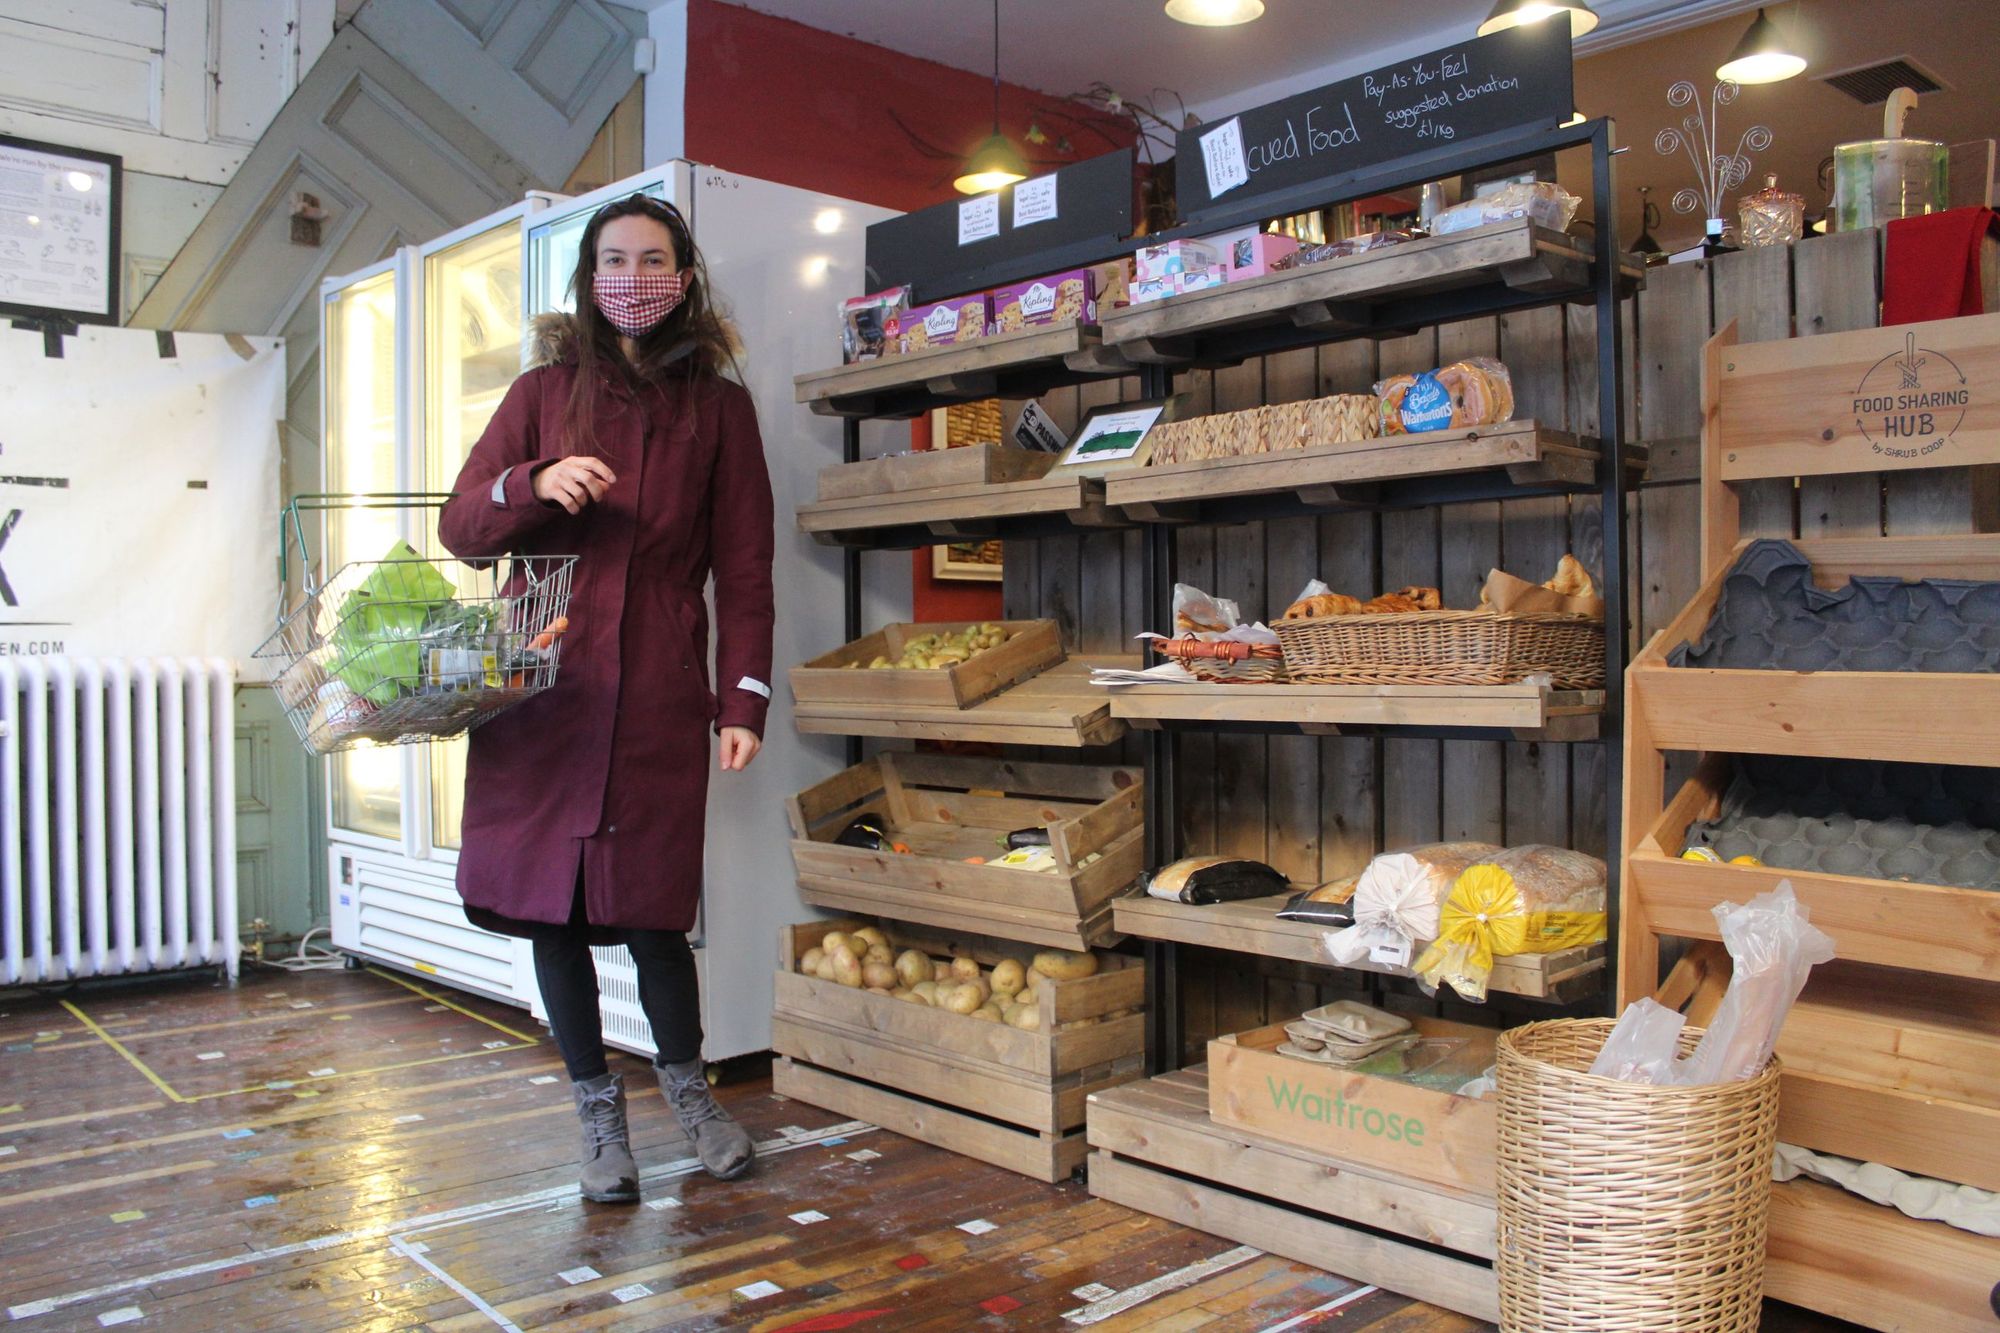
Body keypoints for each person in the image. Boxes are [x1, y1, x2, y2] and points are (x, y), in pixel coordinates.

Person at [438, 194, 775, 1201]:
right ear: (589, 276)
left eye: (654, 259)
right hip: (543, 686)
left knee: (653, 912)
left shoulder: (719, 407)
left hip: (659, 688)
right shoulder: (541, 391)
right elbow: (461, 525)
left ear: (684, 277)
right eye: (614, 259)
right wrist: (532, 482)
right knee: (553, 913)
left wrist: (741, 699)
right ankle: (597, 1116)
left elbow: (746, 569)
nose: (633, 276)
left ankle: (691, 1093)